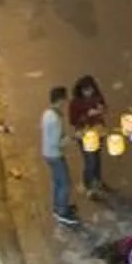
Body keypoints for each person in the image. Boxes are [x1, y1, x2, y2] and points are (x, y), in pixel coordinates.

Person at [41, 86, 78, 226]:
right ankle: (62, 212)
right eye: (65, 99)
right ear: (61, 100)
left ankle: (58, 206)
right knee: (65, 183)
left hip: (47, 153)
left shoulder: (47, 113)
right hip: (55, 155)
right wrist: (73, 138)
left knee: (57, 182)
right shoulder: (55, 119)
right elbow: (58, 142)